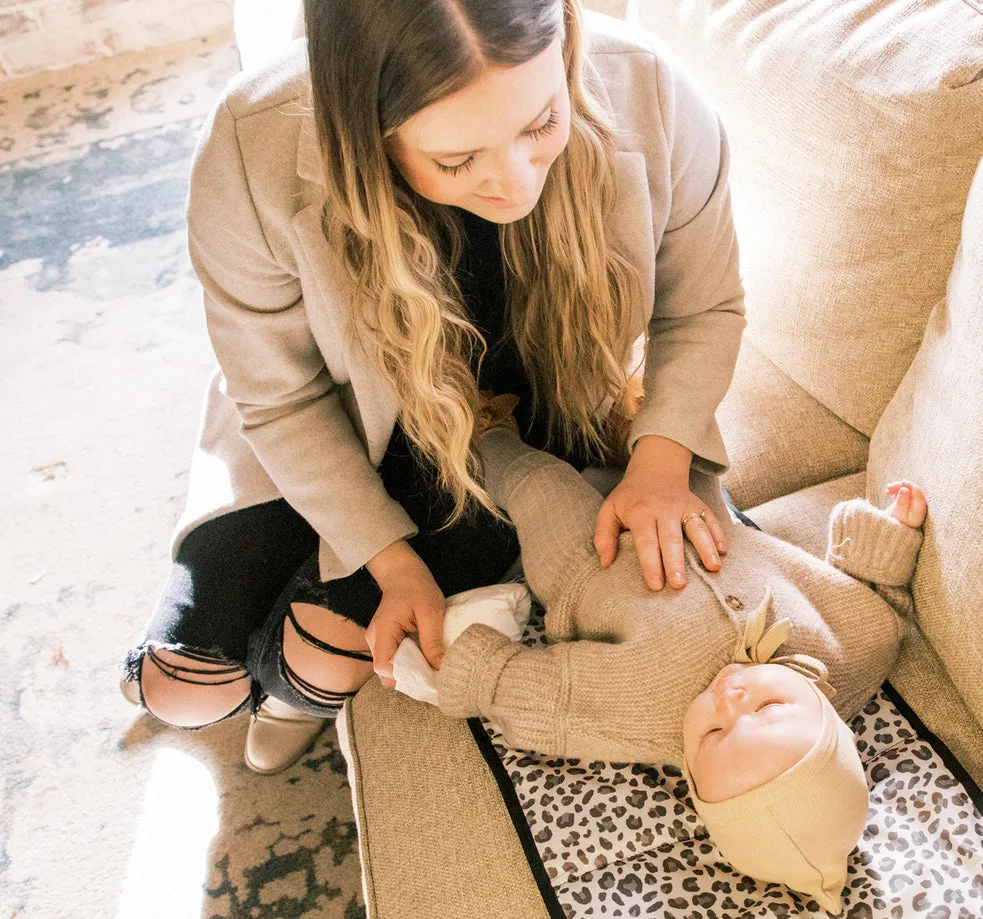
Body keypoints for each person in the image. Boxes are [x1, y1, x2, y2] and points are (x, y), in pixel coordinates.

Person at [119, 0, 747, 773]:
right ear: (363, 131)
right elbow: (283, 398)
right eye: (457, 161)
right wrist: (388, 559)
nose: (516, 184)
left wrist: (659, 465)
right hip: (342, 417)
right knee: (183, 689)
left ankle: (299, 686)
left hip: (520, 427)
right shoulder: (253, 145)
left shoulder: (649, 87)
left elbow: (705, 305)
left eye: (542, 123)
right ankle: (280, 675)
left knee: (324, 660)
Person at [434, 399, 928, 916]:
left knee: (538, 482)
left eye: (714, 734)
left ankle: (486, 435)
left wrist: (478, 670)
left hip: (588, 560)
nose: (730, 698)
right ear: (831, 718)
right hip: (701, 522)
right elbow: (876, 606)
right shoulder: (850, 655)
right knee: (686, 438)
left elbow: (553, 699)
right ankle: (615, 416)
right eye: (767, 709)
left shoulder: (645, 715)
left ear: (691, 774)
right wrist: (887, 534)